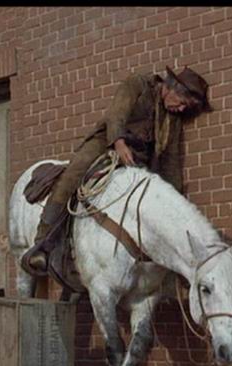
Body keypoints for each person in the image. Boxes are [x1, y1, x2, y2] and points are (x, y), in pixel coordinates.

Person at [22, 66, 213, 276]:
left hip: (140, 159)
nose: (182, 109)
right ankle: (42, 243)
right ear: (172, 88)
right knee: (73, 175)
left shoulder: (172, 120)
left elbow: (170, 161)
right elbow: (116, 115)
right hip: (105, 143)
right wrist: (118, 142)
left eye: (186, 107)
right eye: (182, 102)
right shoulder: (138, 84)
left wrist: (173, 197)